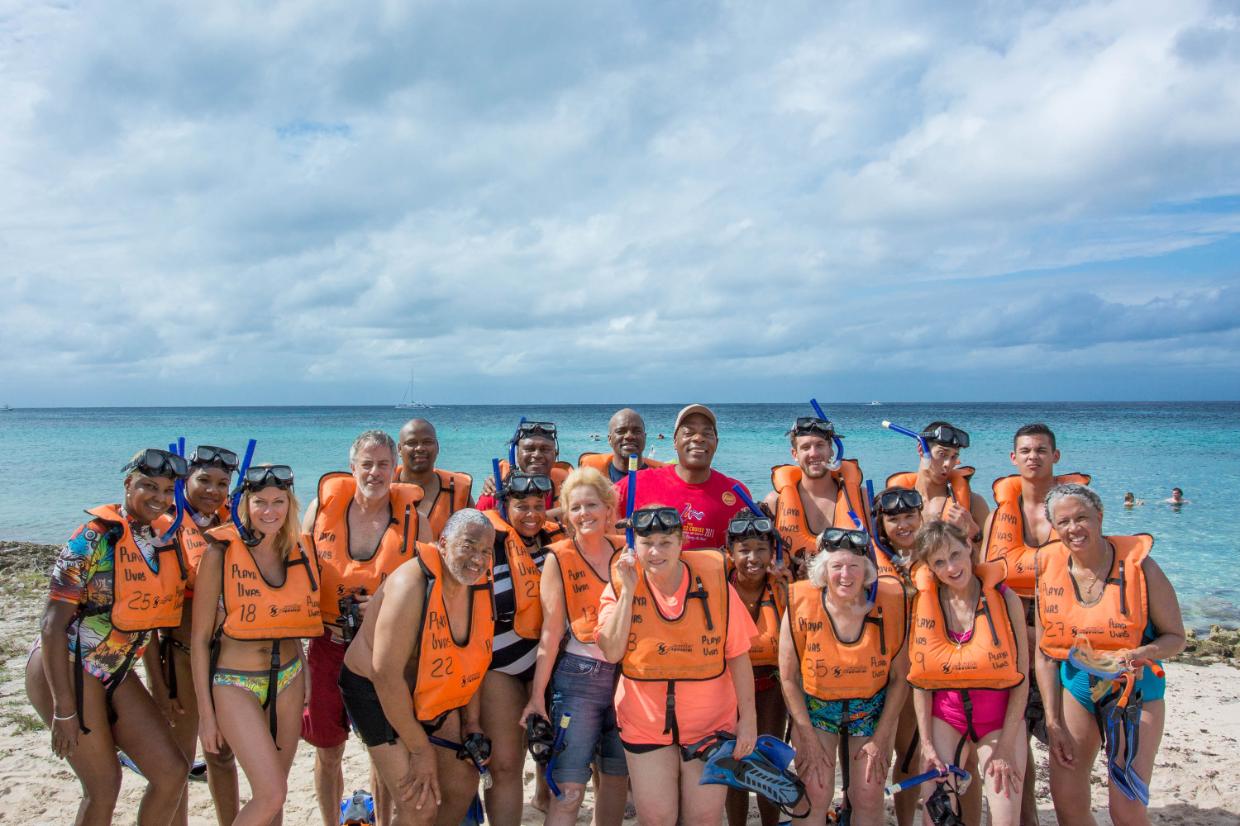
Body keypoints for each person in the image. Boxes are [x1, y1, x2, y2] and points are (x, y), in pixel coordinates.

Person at [25, 448, 192, 826]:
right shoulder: (92, 538)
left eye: (167, 490)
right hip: (68, 664)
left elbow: (149, 620)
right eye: (149, 486)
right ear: (128, 484)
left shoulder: (162, 539)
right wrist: (64, 708)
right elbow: (51, 625)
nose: (159, 497)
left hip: (116, 668)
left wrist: (159, 688)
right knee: (103, 786)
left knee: (172, 772)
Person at [595, 505, 759, 826]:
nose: (655, 552)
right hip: (645, 720)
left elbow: (738, 655)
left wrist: (748, 721)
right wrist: (628, 592)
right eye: (647, 543)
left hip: (711, 723)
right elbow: (612, 651)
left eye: (665, 542)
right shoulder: (619, 582)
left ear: (681, 542)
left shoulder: (716, 584)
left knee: (704, 818)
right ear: (634, 545)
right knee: (657, 818)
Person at [1034, 484, 1185, 826]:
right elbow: (1044, 655)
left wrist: (1142, 652)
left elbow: (1176, 638)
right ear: (1054, 528)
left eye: (1082, 518)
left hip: (1135, 692)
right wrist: (1052, 720)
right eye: (1064, 521)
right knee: (1068, 804)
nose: (1074, 528)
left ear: (1099, 517)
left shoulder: (1142, 568)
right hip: (1077, 690)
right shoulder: (1048, 570)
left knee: (1126, 809)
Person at [338, 509, 497, 826]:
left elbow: (473, 657)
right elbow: (385, 675)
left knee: (461, 784)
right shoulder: (410, 585)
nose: (478, 559)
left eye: (486, 551)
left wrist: (472, 722)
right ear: (443, 543)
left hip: (429, 689)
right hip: (374, 691)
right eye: (468, 546)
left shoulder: (478, 584)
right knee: (419, 805)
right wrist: (420, 751)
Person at [302, 430, 425, 826]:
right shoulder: (320, 510)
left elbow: (431, 588)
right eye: (367, 464)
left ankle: (384, 821)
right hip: (328, 642)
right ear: (352, 467)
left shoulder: (416, 521)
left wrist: (388, 606)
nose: (375, 472)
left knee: (382, 746)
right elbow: (296, 571)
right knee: (327, 749)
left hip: (384, 651)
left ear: (395, 468)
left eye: (383, 464)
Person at [192, 463, 324, 826]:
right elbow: (200, 640)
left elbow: (291, 617)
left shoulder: (297, 550)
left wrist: (305, 669)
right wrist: (206, 716)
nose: (270, 511)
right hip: (235, 682)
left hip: (289, 678)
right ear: (244, 505)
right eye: (260, 502)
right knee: (271, 793)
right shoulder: (219, 553)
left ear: (290, 504)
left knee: (275, 798)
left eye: (278, 501)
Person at [981, 423, 1088, 825]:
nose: (1033, 457)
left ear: (1055, 456)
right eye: (1025, 451)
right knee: (1015, 740)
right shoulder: (998, 517)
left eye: (1041, 450)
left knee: (1067, 742)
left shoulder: (1075, 514)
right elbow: (983, 578)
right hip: (1012, 631)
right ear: (1013, 458)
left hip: (1064, 632)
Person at [519, 468, 628, 826]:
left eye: (591, 505)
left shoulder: (628, 551)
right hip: (579, 678)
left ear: (608, 508)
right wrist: (537, 697)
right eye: (576, 507)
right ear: (566, 514)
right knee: (568, 789)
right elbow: (550, 634)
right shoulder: (557, 558)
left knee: (615, 778)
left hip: (627, 678)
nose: (584, 514)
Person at [780, 528, 909, 825]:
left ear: (867, 571)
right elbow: (787, 677)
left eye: (854, 566)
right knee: (814, 790)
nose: (845, 575)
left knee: (868, 792)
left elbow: (900, 678)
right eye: (837, 566)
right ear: (824, 570)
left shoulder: (890, 605)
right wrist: (806, 737)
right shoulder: (800, 603)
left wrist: (881, 738)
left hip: (870, 708)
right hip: (817, 708)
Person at [142, 445, 242, 826]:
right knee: (177, 762)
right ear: (185, 481)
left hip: (224, 661)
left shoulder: (234, 525)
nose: (213, 491)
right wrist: (157, 682)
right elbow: (146, 619)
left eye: (222, 484)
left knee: (222, 755)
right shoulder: (161, 529)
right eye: (204, 480)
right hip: (180, 660)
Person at [907, 522, 1029, 826]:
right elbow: (921, 682)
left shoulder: (1006, 599)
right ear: (929, 568)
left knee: (1005, 819)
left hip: (999, 720)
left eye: (955, 555)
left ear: (969, 547)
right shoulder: (925, 603)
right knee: (936, 815)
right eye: (939, 562)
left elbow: (1022, 678)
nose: (951, 568)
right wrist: (927, 745)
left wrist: (1006, 746)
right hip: (947, 717)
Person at [481, 471, 566, 826]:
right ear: (505, 506)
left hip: (551, 665)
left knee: (560, 758)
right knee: (505, 764)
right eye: (521, 506)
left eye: (538, 506)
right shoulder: (488, 542)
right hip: (501, 667)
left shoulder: (558, 540)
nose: (531, 514)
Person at [724, 507, 789, 826]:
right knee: (734, 763)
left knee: (768, 762)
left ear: (773, 552)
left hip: (771, 687)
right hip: (727, 689)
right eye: (744, 550)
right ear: (730, 553)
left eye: (761, 549)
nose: (753, 558)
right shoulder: (719, 586)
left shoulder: (783, 588)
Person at [613, 404, 750, 550]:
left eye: (707, 433)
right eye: (689, 432)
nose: (698, 438)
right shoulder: (635, 484)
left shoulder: (737, 494)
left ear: (716, 443)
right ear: (675, 441)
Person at [869, 486, 926, 826]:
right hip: (875, 670)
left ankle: (905, 821)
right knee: (872, 752)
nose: (903, 525)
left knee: (908, 753)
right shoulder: (867, 558)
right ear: (881, 524)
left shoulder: (937, 555)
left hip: (917, 668)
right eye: (894, 520)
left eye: (909, 516)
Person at [764, 416, 869, 578]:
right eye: (805, 447)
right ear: (795, 454)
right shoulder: (774, 502)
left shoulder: (862, 498)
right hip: (795, 591)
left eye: (820, 445)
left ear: (831, 450)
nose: (813, 453)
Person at [886, 422, 989, 549]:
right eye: (942, 454)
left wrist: (974, 531)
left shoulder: (974, 503)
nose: (948, 464)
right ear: (921, 450)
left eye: (953, 457)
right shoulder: (893, 502)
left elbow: (991, 555)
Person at [395, 418, 474, 539]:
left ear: (437, 447)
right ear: (399, 449)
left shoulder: (458, 492)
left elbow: (477, 538)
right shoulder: (383, 487)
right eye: (412, 443)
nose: (420, 448)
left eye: (427, 442)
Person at [476, 420, 574, 515]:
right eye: (529, 449)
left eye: (545, 449)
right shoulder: (494, 495)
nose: (537, 455)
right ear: (517, 454)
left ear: (555, 454)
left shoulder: (570, 495)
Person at [577, 408, 666, 482]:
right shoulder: (590, 476)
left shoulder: (662, 478)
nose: (629, 436)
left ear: (645, 437)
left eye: (636, 431)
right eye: (621, 431)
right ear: (610, 439)